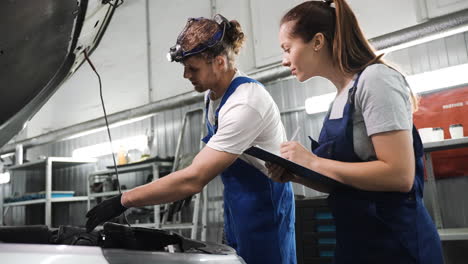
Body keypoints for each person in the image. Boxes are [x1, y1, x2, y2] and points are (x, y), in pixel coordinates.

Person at [86, 14, 296, 264]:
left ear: (219, 62)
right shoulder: (212, 96)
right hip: (237, 207)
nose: (186, 75)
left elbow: (196, 178)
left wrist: (124, 200)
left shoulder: (245, 103)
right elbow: (207, 155)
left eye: (193, 68)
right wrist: (179, 184)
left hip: (266, 210)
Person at [267, 0, 444, 263]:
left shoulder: (376, 80)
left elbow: (399, 175)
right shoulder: (339, 98)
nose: (284, 60)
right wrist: (299, 174)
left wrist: (313, 161)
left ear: (317, 42)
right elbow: (345, 182)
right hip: (356, 243)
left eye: (287, 48)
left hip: (396, 244)